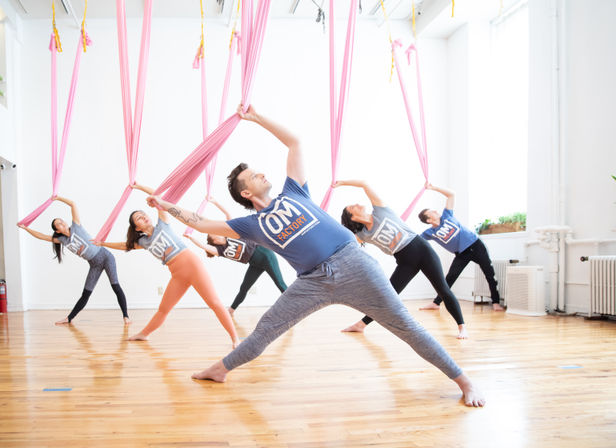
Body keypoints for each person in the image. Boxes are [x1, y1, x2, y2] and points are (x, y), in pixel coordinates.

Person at [145, 104, 485, 407]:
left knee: (406, 327)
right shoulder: (250, 224)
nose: (264, 174)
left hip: (355, 265)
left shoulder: (294, 190)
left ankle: (463, 380)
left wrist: (256, 116)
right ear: (247, 193)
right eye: (254, 176)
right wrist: (164, 205)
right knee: (266, 327)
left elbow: (295, 143)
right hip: (313, 282)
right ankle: (220, 370)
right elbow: (202, 221)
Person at [95, 184, 239, 348]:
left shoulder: (162, 223)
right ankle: (144, 334)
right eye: (139, 218)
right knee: (163, 309)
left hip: (192, 265)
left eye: (143, 214)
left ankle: (235, 339)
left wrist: (138, 187)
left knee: (214, 303)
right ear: (137, 227)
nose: (144, 217)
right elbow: (124, 246)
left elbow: (160, 198)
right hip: (177, 275)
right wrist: (102, 243)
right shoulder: (143, 242)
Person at [336, 180, 468, 338]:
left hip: (422, 250)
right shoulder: (361, 235)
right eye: (352, 207)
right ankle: (361, 325)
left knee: (443, 290)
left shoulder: (380, 210)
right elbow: (342, 239)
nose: (357, 204)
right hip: (405, 261)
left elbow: (365, 184)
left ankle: (462, 328)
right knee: (388, 295)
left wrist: (341, 183)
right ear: (352, 217)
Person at [17, 196, 131, 325]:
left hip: (105, 256)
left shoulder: (76, 226)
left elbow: (72, 204)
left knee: (115, 286)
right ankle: (69, 318)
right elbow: (42, 237)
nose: (62, 223)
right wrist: (26, 228)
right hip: (94, 264)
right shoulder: (62, 240)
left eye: (62, 221)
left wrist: (58, 198)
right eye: (58, 224)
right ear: (57, 230)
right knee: (86, 293)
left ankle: (126, 316)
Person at [183, 197, 288, 317]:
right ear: (215, 240)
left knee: (279, 283)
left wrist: (215, 201)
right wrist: (191, 238)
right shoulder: (220, 250)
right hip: (254, 263)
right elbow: (204, 246)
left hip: (265, 255)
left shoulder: (230, 233)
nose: (217, 233)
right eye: (214, 235)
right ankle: (231, 311)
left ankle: (295, 306)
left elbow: (227, 214)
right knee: (244, 287)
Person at [418, 183, 505, 312]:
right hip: (461, 254)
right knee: (450, 277)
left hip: (476, 245)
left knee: (489, 274)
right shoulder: (429, 233)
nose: (436, 211)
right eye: (432, 212)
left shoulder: (447, 215)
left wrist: (433, 188)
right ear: (429, 220)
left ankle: (496, 303)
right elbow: (415, 240)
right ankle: (436, 303)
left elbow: (451, 194)